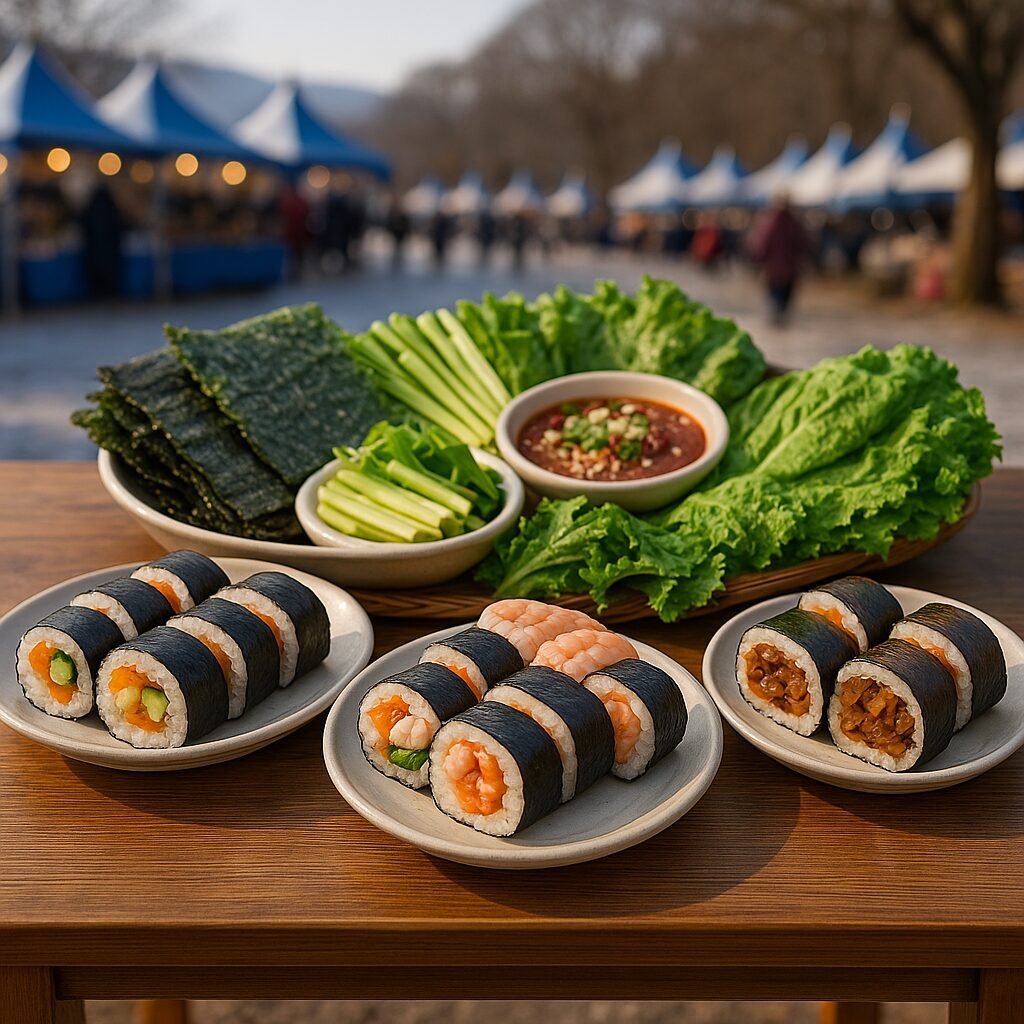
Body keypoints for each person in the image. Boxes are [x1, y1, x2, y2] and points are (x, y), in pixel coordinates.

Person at [747, 193, 806, 325]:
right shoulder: (794, 222)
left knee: (776, 295)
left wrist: (757, 262)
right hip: (789, 268)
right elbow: (803, 244)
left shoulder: (768, 222)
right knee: (784, 296)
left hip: (773, 268)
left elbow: (761, 244)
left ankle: (777, 318)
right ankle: (779, 317)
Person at [80, 183, 124, 299]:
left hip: (94, 250)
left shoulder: (91, 210)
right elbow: (120, 227)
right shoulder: (112, 209)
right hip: (110, 251)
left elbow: (83, 224)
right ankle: (110, 293)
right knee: (110, 273)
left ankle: (98, 294)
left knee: (96, 274)